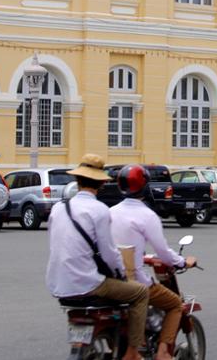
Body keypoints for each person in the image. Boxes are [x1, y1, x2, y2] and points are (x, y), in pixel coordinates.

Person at [46, 154, 149, 360]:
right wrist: (122, 275)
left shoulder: (59, 208)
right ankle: (133, 353)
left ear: (77, 180)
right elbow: (110, 254)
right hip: (87, 284)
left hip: (58, 285)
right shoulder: (99, 210)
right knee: (140, 293)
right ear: (102, 183)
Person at [111, 165, 197, 360]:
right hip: (136, 281)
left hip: (111, 279)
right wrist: (183, 262)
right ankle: (163, 352)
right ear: (145, 187)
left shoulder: (111, 212)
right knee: (175, 304)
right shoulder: (147, 216)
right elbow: (164, 253)